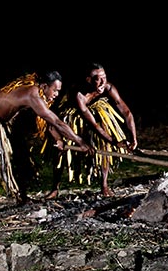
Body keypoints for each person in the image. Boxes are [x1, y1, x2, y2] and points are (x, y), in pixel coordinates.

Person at [0, 71, 94, 220]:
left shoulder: (38, 92)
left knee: (21, 155)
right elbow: (56, 121)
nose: (57, 94)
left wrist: (59, 140)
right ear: (45, 86)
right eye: (55, 90)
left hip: (3, 122)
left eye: (59, 90)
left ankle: (22, 197)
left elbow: (50, 124)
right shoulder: (33, 95)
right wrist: (80, 141)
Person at [45, 62, 138, 199]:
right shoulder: (79, 95)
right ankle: (55, 188)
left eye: (104, 78)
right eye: (97, 79)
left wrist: (134, 138)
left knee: (104, 145)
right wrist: (114, 142)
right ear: (88, 80)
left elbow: (127, 112)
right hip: (73, 115)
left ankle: (104, 185)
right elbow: (94, 125)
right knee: (61, 149)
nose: (102, 82)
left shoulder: (108, 87)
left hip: (95, 111)